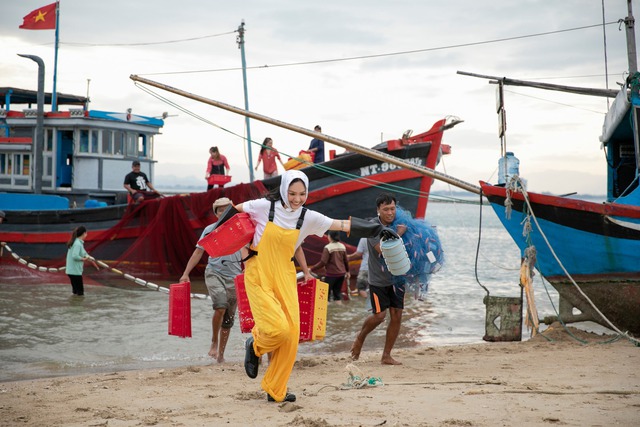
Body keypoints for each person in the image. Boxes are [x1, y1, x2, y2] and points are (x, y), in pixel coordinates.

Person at [233, 169, 382, 403]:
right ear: (283, 190)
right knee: (278, 329)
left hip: (285, 274)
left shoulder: (307, 217)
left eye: (302, 194)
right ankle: (256, 344)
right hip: (258, 272)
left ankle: (275, 389)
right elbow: (235, 217)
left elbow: (341, 224)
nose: (296, 199)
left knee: (291, 335)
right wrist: (244, 251)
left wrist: (377, 229)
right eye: (292, 193)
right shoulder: (263, 206)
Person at [179, 197, 246, 364]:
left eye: (227, 208)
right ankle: (214, 342)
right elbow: (198, 252)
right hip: (214, 272)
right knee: (220, 306)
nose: (224, 212)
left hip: (235, 277)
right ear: (216, 214)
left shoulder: (241, 228)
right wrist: (186, 274)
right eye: (220, 210)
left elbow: (248, 254)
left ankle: (221, 355)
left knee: (229, 320)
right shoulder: (210, 230)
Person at [350, 193, 408, 366]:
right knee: (379, 316)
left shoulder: (401, 222)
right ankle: (360, 337)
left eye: (392, 208)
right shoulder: (372, 227)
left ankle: (386, 355)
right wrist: (398, 234)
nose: (390, 213)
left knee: (396, 315)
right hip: (378, 280)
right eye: (386, 209)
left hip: (397, 279)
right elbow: (383, 250)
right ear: (378, 210)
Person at [310, 230, 350, 303]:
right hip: (341, 274)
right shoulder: (342, 246)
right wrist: (348, 272)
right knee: (337, 294)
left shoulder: (328, 247)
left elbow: (323, 262)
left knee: (326, 295)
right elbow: (346, 261)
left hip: (331, 274)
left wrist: (311, 269)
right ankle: (339, 309)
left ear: (330, 237)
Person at [65, 226, 98, 296]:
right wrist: (84, 259)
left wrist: (90, 258)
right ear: (84, 233)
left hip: (71, 271)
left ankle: (73, 305)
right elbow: (75, 256)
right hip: (75, 272)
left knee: (75, 292)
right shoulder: (78, 244)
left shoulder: (76, 242)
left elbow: (84, 253)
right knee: (80, 293)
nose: (87, 235)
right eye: (86, 233)